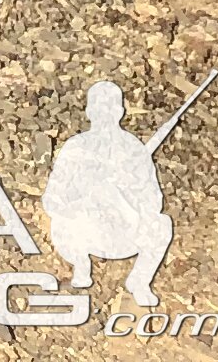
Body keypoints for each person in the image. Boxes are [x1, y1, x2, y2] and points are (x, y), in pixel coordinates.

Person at [42, 81, 175, 306]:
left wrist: (129, 191)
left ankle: (140, 281)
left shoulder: (133, 149)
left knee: (162, 224)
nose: (105, 114)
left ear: (121, 111)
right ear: (89, 111)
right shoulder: (76, 147)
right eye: (99, 108)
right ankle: (81, 265)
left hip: (123, 229)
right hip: (84, 230)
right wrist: (81, 201)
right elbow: (53, 196)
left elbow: (154, 200)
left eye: (111, 107)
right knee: (62, 221)